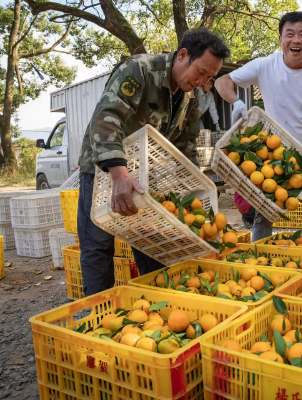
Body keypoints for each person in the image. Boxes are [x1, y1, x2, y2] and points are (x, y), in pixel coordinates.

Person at [77, 28, 230, 296]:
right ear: (183, 55)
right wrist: (119, 176)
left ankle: (155, 306)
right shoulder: (139, 70)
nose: (202, 81)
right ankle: (97, 314)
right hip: (105, 171)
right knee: (99, 245)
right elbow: (107, 118)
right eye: (201, 72)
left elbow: (187, 144)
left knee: (154, 242)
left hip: (147, 172)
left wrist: (196, 189)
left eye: (210, 77)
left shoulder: (189, 95)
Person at [215, 11, 302, 241]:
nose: (296, 40)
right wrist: (235, 101)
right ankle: (260, 260)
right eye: (290, 34)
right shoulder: (265, 65)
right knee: (263, 216)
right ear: (280, 40)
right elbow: (222, 81)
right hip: (276, 156)